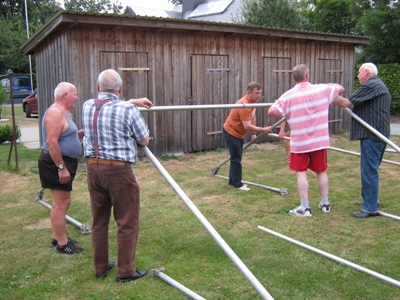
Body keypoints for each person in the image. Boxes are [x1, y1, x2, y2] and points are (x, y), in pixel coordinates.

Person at [82, 69, 153, 282]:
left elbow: (109, 104)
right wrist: (131, 104)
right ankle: (125, 271)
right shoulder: (128, 109)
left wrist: (131, 102)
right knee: (127, 220)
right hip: (118, 172)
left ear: (98, 88)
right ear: (120, 89)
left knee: (99, 221)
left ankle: (100, 267)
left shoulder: (87, 105)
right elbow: (144, 140)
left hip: (93, 169)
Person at [268, 64, 351, 217]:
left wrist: (275, 103)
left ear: (294, 78)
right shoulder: (322, 89)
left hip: (300, 143)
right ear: (307, 76)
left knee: (301, 173)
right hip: (319, 141)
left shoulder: (287, 95)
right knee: (321, 171)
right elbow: (340, 88)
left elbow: (272, 111)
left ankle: (305, 208)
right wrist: (330, 85)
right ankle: (325, 203)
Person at [38, 82, 84, 254]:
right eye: (74, 93)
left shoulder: (63, 112)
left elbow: (63, 136)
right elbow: (51, 142)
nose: (77, 97)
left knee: (61, 202)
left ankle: (57, 237)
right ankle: (62, 244)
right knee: (62, 203)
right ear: (65, 95)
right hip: (55, 163)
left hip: (62, 162)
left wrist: (79, 134)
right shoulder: (55, 112)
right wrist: (61, 167)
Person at [348, 63, 391, 218]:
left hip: (373, 135)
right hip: (377, 133)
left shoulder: (371, 84)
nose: (358, 75)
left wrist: (329, 94)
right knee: (369, 169)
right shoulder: (377, 85)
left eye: (359, 72)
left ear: (366, 72)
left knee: (369, 170)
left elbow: (348, 102)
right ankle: (370, 200)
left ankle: (370, 208)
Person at [222, 82, 272, 191]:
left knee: (236, 157)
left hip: (238, 133)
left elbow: (252, 118)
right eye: (256, 93)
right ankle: (237, 184)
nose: (259, 96)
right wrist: (263, 130)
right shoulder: (243, 104)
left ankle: (232, 181)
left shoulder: (253, 103)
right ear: (249, 93)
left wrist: (253, 134)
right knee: (236, 159)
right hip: (231, 132)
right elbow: (247, 125)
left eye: (260, 93)